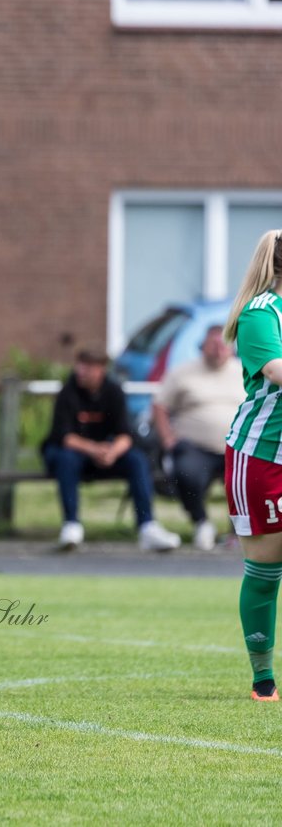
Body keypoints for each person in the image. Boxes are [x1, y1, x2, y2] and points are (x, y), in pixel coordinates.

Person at [42, 349, 180, 551]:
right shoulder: (67, 392)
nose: (81, 371)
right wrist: (94, 449)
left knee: (137, 461)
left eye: (87, 367)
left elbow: (125, 435)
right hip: (73, 454)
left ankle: (147, 526)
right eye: (80, 365)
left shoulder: (113, 391)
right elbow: (64, 438)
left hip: (105, 455)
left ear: (100, 370)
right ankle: (71, 525)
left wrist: (112, 452)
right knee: (66, 459)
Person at [224, 229, 282, 701]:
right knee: (266, 571)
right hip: (262, 457)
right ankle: (263, 680)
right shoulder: (259, 313)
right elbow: (278, 372)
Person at [151, 324, 243, 551]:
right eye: (213, 344)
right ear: (203, 346)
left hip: (238, 446)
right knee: (186, 472)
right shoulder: (183, 372)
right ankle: (201, 522)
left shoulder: (245, 371)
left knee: (250, 479)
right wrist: (168, 439)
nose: (218, 349)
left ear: (231, 348)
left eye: (223, 345)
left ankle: (238, 531)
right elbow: (160, 405)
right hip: (195, 446)